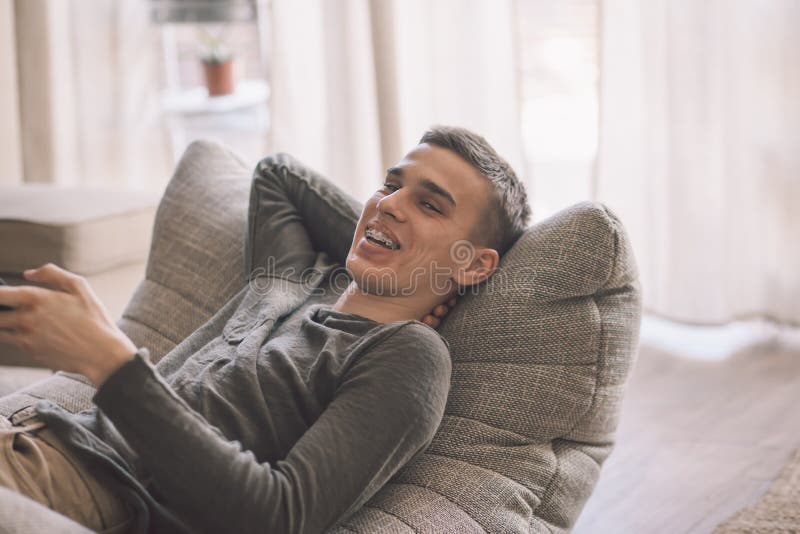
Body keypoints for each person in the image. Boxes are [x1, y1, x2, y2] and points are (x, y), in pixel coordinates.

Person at [0, 125, 530, 533]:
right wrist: (386, 234)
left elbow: (280, 517)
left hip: (81, 489)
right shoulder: (293, 280)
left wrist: (111, 364)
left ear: (476, 265)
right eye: (389, 185)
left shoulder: (407, 354)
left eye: (430, 203)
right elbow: (279, 176)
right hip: (33, 437)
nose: (389, 202)